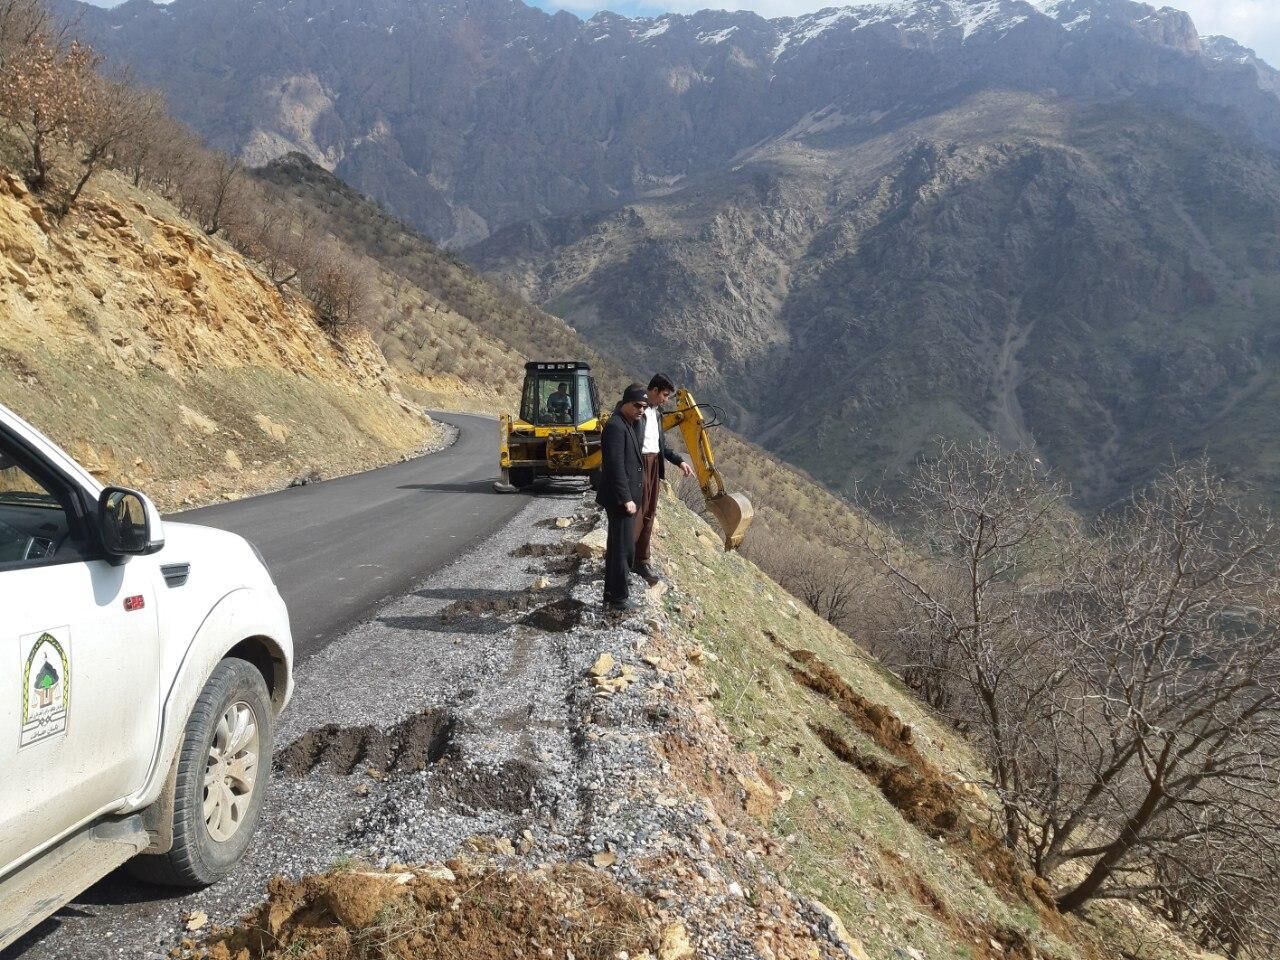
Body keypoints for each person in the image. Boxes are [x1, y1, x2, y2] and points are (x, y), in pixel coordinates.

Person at [633, 373, 694, 583]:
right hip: (638, 465)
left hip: (653, 465)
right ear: (655, 390)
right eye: (665, 395)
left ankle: (641, 561)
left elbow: (662, 446)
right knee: (637, 514)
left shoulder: (657, 414)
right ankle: (624, 560)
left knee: (649, 513)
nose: (666, 400)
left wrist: (679, 461)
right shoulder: (635, 410)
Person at [597, 383, 648, 611]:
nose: (641, 410)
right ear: (626, 402)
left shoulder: (630, 423)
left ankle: (613, 593)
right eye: (637, 405)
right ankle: (617, 599)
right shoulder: (616, 427)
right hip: (620, 500)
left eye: (644, 407)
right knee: (620, 548)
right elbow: (615, 466)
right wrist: (626, 498)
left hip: (627, 498)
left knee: (624, 547)